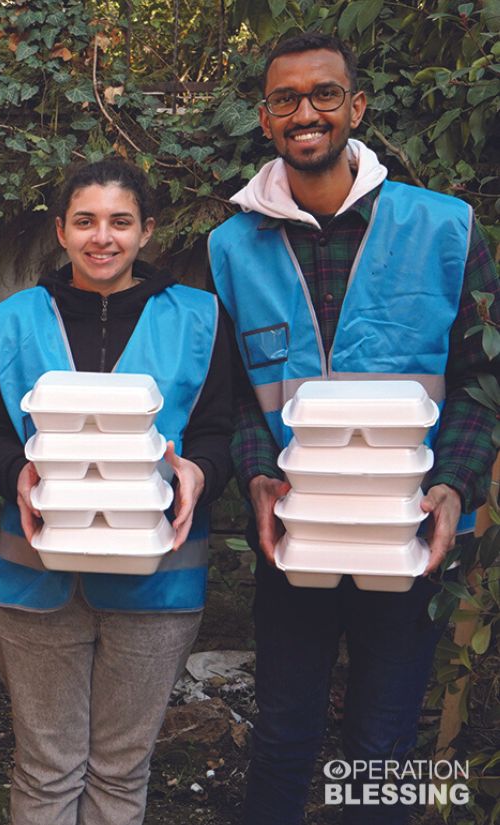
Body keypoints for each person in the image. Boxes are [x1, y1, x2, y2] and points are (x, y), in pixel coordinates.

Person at [208, 33, 500, 824]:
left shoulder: (445, 228)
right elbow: (233, 398)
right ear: (265, 118)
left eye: (325, 95)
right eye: (287, 99)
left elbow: (483, 380)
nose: (306, 113)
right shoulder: (231, 246)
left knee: (386, 739)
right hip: (293, 533)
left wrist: (452, 488)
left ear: (356, 107)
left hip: (411, 533)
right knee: (283, 733)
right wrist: (260, 476)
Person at [0, 159, 234, 824]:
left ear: (147, 230)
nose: (104, 237)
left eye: (121, 221)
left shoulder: (200, 319)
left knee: (122, 769)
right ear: (61, 231)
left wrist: (199, 473)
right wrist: (18, 475)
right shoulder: (14, 321)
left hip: (158, 586)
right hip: (37, 580)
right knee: (44, 767)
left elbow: (217, 432)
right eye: (86, 221)